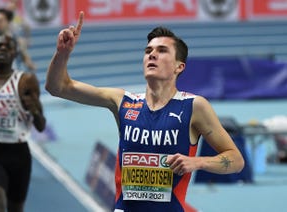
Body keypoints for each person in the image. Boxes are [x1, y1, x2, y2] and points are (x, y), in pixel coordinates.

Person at [46, 12, 244, 212]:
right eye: (148, 50)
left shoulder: (194, 107)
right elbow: (58, 87)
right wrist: (62, 53)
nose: (152, 54)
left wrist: (197, 162)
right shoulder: (122, 101)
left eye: (162, 50)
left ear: (179, 66)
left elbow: (236, 160)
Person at [0, 34, 46, 212]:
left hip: (18, 154)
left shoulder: (25, 81)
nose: (1, 49)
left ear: (14, 53)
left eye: (7, 47)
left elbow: (41, 126)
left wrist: (34, 110)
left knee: (15, 208)